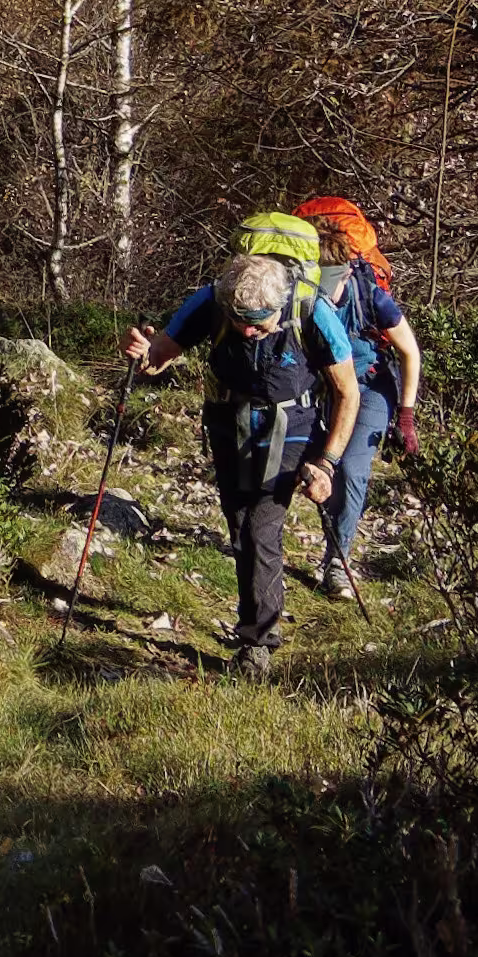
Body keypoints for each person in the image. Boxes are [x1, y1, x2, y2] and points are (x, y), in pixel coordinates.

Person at [119, 212, 364, 669]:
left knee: (260, 525)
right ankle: (256, 616)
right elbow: (159, 358)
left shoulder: (312, 310)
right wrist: (141, 351)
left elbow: (348, 392)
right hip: (227, 421)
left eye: (259, 324)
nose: (249, 331)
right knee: (238, 524)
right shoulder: (211, 301)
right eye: (240, 322)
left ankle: (258, 643)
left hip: (291, 426)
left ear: (280, 304)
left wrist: (327, 462)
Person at [290, 194, 425, 596]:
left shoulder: (371, 295)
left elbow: (409, 352)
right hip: (319, 388)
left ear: (349, 271)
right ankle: (321, 542)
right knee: (315, 466)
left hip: (369, 385)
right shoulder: (300, 294)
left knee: (350, 467)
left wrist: (405, 417)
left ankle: (338, 562)